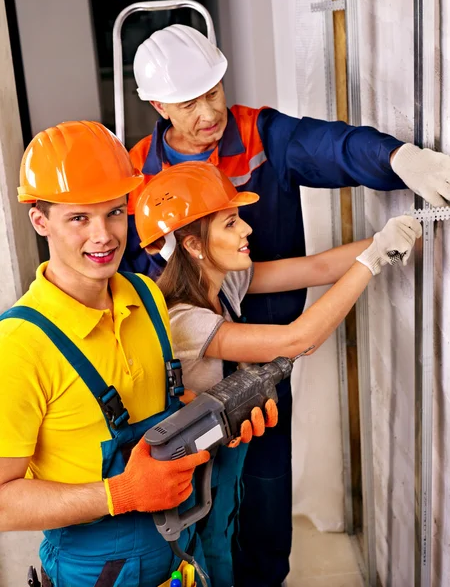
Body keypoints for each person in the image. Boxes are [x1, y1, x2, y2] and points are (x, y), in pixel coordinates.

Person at [121, 24, 446, 586]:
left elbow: (331, 161)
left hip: (262, 371)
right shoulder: (140, 182)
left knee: (267, 493)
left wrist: (398, 162)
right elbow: (135, 291)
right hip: (194, 380)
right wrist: (371, 261)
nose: (209, 112)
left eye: (214, 91)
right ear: (157, 105)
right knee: (206, 516)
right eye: (189, 101)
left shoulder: (257, 142)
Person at [133, 161, 422, 587]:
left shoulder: (223, 284)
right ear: (194, 246)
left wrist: (391, 234)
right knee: (208, 563)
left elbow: (317, 268)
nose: (246, 230)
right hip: (189, 480)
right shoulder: (183, 320)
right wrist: (374, 260)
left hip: (222, 460)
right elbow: (297, 340)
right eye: (230, 223)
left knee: (228, 547)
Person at [0, 121, 217, 587]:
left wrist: (214, 420)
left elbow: (161, 407)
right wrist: (123, 492)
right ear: (41, 222)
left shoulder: (145, 295)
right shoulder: (20, 344)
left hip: (179, 545)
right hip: (94, 568)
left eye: (115, 213)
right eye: (79, 218)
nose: (104, 236)